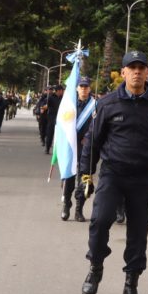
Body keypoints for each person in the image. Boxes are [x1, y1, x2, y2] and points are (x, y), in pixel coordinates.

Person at [79, 51, 148, 294]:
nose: (136, 72)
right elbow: (93, 141)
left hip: (143, 177)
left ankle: (130, 285)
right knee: (100, 221)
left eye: (141, 68)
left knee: (138, 232)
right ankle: (96, 266)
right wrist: (85, 174)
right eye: (131, 67)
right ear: (122, 73)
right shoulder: (108, 104)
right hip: (113, 173)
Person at [61, 77, 94, 222]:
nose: (84, 89)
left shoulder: (95, 105)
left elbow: (97, 124)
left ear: (90, 89)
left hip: (86, 147)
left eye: (86, 87)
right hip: (71, 146)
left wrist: (88, 137)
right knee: (68, 178)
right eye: (81, 86)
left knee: (84, 179)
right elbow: (62, 123)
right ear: (76, 88)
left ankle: (79, 209)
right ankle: (66, 204)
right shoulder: (69, 104)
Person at [43, 85, 63, 154]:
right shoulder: (51, 98)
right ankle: (47, 148)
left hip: (61, 118)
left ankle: (59, 150)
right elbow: (46, 106)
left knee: (60, 135)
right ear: (58, 91)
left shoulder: (63, 98)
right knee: (50, 133)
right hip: (51, 117)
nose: (62, 92)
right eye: (61, 90)